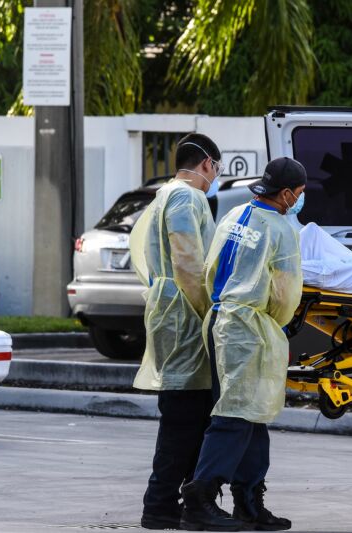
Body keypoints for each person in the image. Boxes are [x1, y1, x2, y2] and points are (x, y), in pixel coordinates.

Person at [179, 157, 306, 532]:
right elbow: (285, 296)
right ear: (285, 194)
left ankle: (249, 501)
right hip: (248, 327)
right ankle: (200, 499)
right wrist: (275, 326)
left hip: (220, 319)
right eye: (298, 194)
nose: (299, 200)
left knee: (253, 414)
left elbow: (210, 269)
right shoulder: (281, 231)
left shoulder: (233, 216)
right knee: (235, 415)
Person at [128, 133, 223, 530]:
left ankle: (179, 502)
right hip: (185, 316)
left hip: (170, 311)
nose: (215, 177)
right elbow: (188, 262)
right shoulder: (188, 197)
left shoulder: (163, 195)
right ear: (206, 164)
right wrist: (210, 313)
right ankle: (162, 504)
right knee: (184, 418)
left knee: (188, 414)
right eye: (217, 169)